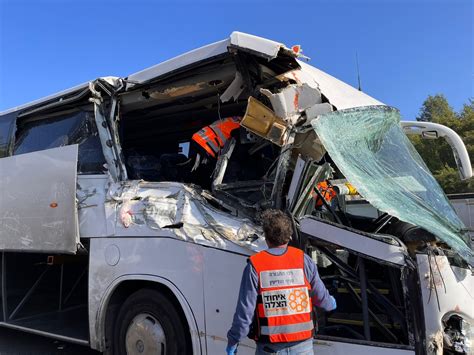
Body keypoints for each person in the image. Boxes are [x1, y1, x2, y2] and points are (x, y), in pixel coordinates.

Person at [226, 209, 337, 355]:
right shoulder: (304, 260)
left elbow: (245, 312)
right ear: (290, 236)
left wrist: (233, 341)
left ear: (266, 237)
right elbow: (323, 300)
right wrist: (332, 303)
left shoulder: (255, 266)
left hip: (270, 348)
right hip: (303, 347)